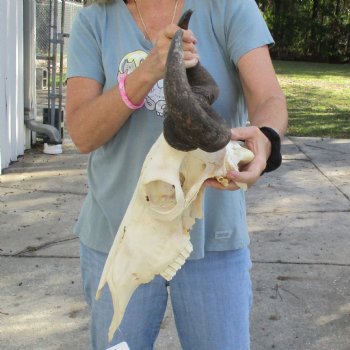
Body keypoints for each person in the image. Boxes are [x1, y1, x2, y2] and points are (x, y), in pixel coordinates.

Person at [66, 0, 288, 349]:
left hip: (212, 235)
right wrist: (147, 72)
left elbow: (269, 98)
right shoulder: (94, 21)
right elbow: (82, 133)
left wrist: (266, 136)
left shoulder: (230, 7)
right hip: (118, 238)